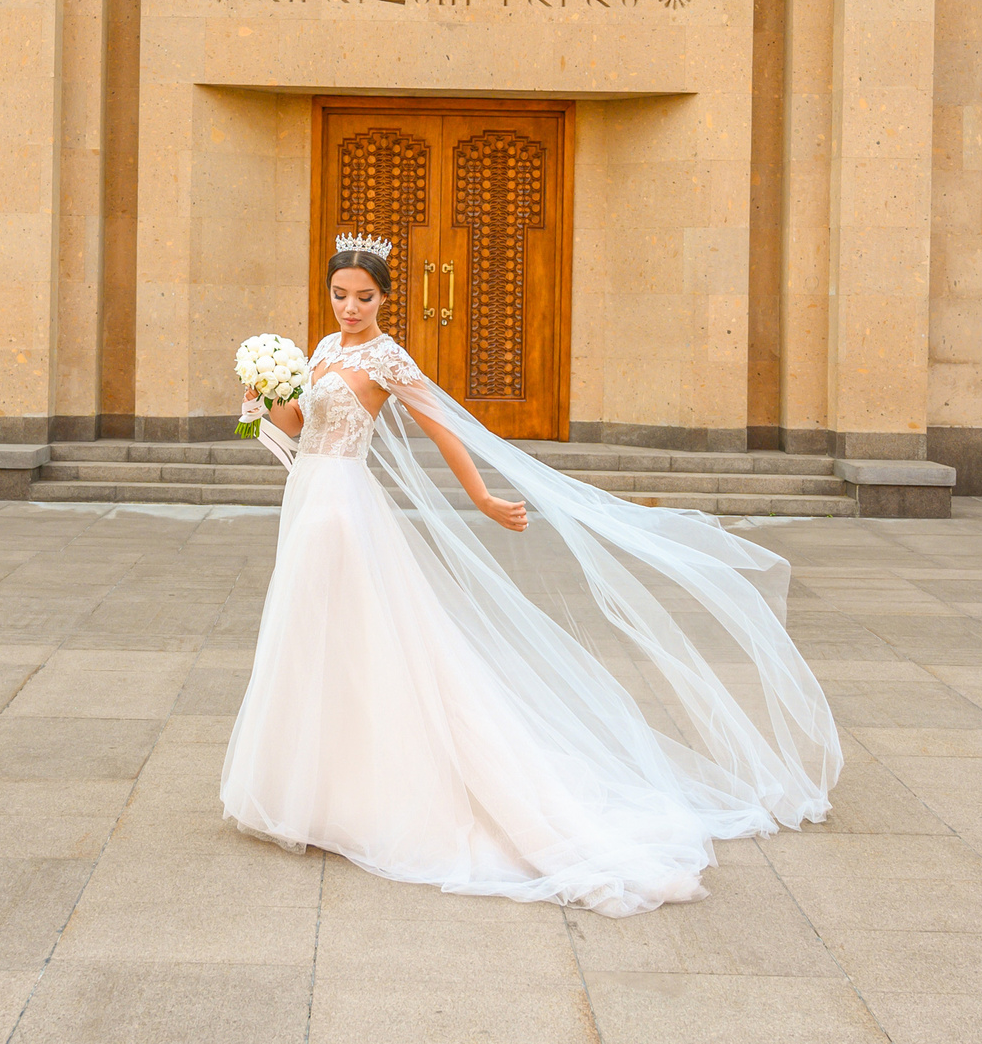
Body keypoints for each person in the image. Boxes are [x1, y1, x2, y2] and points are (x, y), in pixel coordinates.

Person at [219, 233, 841, 917]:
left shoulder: (387, 358)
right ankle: (313, 789)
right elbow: (298, 426)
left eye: (364, 297)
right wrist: (260, 400)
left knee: (366, 641)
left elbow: (445, 427)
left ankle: (381, 791)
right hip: (306, 497)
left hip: (341, 507)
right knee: (311, 639)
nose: (350, 307)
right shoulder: (324, 350)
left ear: (386, 298)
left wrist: (482, 497)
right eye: (340, 295)